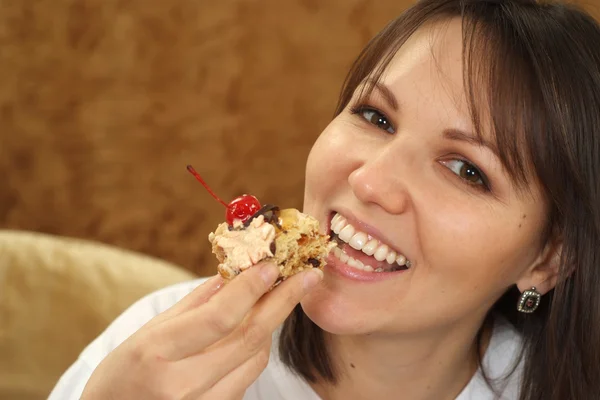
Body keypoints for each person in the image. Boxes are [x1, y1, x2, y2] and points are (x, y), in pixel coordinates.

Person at [49, 0, 600, 399]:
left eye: (467, 170)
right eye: (375, 117)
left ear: (547, 258)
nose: (370, 182)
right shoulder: (154, 352)